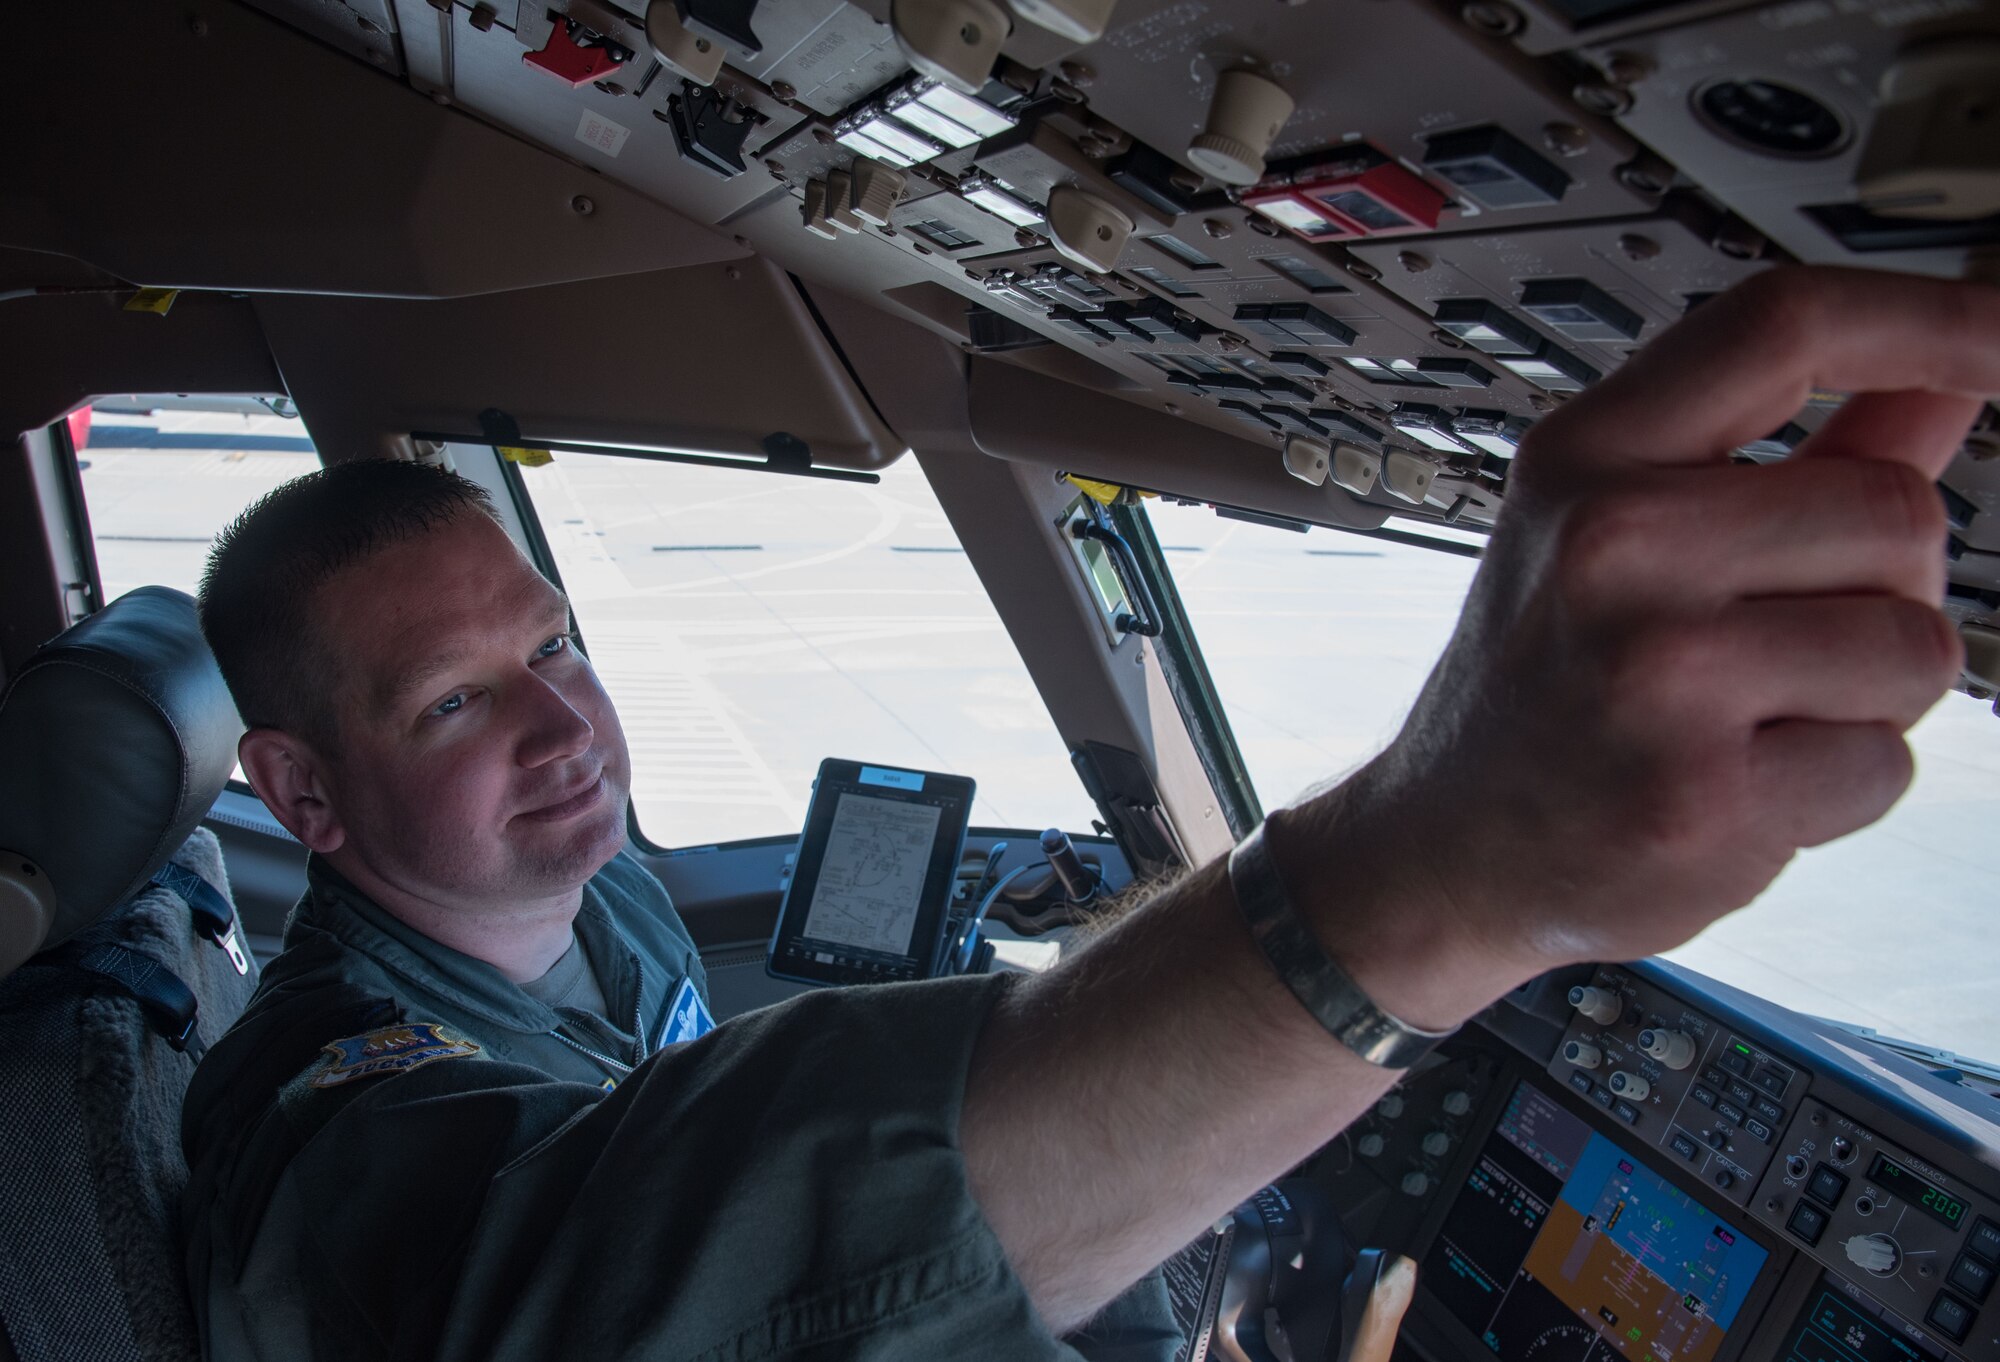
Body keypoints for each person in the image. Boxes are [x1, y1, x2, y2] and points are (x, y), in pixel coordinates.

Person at [181, 266, 1995, 1359]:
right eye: (455, 699)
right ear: (302, 792)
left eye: (555, 641)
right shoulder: (313, 1107)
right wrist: (1433, 873)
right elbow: (599, 1282)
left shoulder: (603, 909)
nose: (565, 718)